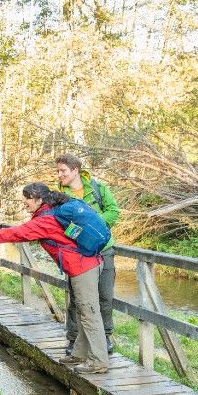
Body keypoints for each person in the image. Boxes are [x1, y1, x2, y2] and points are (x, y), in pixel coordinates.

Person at [0, 182, 110, 373]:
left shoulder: (45, 221)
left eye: (28, 198)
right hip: (85, 264)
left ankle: (99, 362)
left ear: (39, 200)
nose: (24, 202)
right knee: (83, 311)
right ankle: (80, 354)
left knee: (89, 313)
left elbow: (16, 233)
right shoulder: (52, 211)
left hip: (83, 267)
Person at [55, 153, 119, 357]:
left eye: (63, 171)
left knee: (105, 297)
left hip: (104, 249)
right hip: (79, 254)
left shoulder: (98, 188)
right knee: (77, 299)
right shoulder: (58, 196)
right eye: (57, 171)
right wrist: (81, 234)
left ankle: (105, 337)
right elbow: (59, 225)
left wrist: (94, 224)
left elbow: (113, 211)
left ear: (75, 170)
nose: (59, 175)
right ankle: (74, 340)